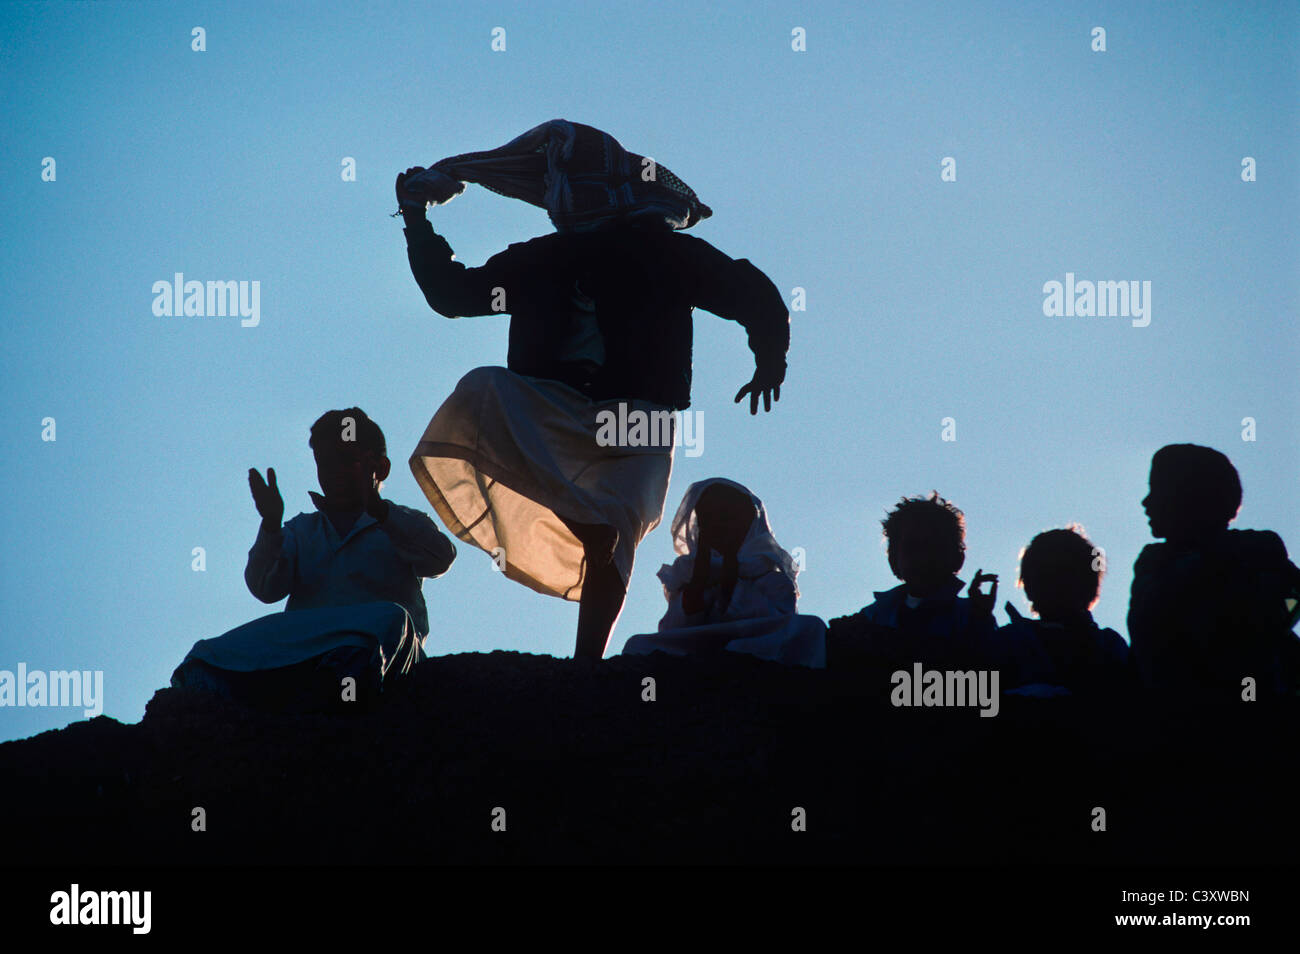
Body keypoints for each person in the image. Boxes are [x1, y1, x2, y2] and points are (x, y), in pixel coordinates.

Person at [396, 119, 790, 660]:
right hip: (554, 404)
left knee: (618, 530)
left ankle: (587, 664)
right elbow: (453, 293)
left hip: (640, 411)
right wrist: (415, 220)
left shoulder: (664, 253)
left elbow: (749, 292)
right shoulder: (540, 259)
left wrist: (770, 354)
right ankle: (586, 526)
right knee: (483, 388)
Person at [171, 408, 456, 708]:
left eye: (347, 460)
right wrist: (270, 525)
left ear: (380, 468)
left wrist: (380, 511)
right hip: (309, 643)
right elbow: (264, 589)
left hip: (375, 642)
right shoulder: (300, 530)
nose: (335, 472)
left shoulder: (402, 522)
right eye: (326, 462)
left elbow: (439, 558)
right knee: (205, 654)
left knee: (393, 618)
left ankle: (342, 689)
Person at [1128, 443, 1300, 698]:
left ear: (1190, 498)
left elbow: (1290, 602)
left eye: (1158, 491)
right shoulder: (1153, 564)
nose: (1146, 502)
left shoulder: (1256, 551)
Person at [621, 478, 826, 667]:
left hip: (753, 637)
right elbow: (673, 627)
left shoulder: (768, 570)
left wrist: (732, 582)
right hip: (698, 640)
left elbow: (778, 617)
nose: (719, 526)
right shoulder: (687, 570)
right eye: (710, 518)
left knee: (811, 628)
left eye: (727, 517)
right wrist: (698, 583)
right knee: (637, 645)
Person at [826, 491, 1002, 673]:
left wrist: (980, 619)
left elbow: (986, 668)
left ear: (957, 558)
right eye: (912, 547)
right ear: (893, 559)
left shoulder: (969, 616)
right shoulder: (872, 617)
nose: (923, 558)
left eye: (934, 547)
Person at [999, 525, 1130, 693]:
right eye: (1046, 576)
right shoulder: (1008, 642)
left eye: (1064, 574)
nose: (1056, 586)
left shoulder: (1110, 646)